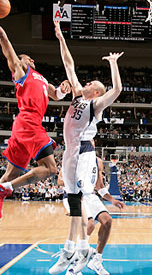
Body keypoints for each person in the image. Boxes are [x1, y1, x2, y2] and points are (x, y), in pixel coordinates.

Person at [0, 0, 71, 249]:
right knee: (50, 169)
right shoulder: (20, 71)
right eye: (24, 57)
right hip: (29, 122)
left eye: (28, 58)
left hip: (25, 127)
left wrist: (63, 89)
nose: (28, 59)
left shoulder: (40, 78)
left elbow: (55, 94)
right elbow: (3, 40)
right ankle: (1, 188)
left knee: (12, 172)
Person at [49, 20, 124, 275]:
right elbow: (69, 64)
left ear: (96, 92)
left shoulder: (95, 105)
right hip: (69, 151)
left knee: (80, 197)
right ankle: (71, 249)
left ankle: (81, 248)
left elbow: (118, 89)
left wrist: (113, 64)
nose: (88, 82)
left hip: (84, 152)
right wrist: (61, 37)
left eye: (92, 82)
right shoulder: (78, 96)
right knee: (72, 197)